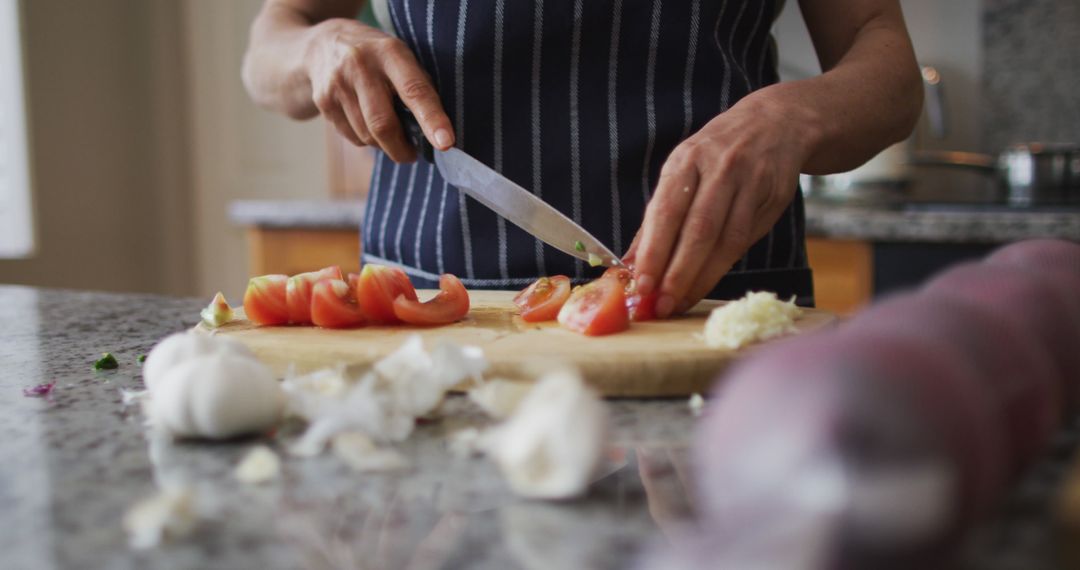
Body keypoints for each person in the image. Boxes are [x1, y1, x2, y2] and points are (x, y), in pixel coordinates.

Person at [243, 0, 922, 317]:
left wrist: (790, 116)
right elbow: (268, 46)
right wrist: (317, 47)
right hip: (429, 308)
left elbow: (886, 64)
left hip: (716, 305)